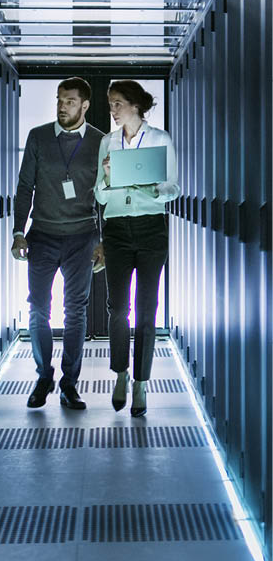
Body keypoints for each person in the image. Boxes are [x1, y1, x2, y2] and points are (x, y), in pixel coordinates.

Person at [12, 78, 105, 409]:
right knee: (38, 308)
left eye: (69, 101)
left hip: (82, 237)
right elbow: (25, 187)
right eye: (59, 100)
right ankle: (43, 376)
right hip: (43, 234)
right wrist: (17, 231)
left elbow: (106, 196)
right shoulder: (38, 137)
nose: (62, 106)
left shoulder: (100, 141)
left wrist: (103, 241)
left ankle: (69, 382)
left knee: (75, 311)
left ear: (85, 105)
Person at [94, 80, 180, 417]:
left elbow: (173, 188)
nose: (112, 111)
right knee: (118, 308)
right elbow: (99, 197)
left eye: (117, 104)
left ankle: (141, 383)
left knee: (146, 311)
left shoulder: (159, 139)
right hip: (116, 229)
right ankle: (121, 374)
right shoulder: (107, 142)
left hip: (150, 229)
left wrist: (149, 187)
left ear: (135, 106)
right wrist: (106, 179)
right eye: (111, 104)